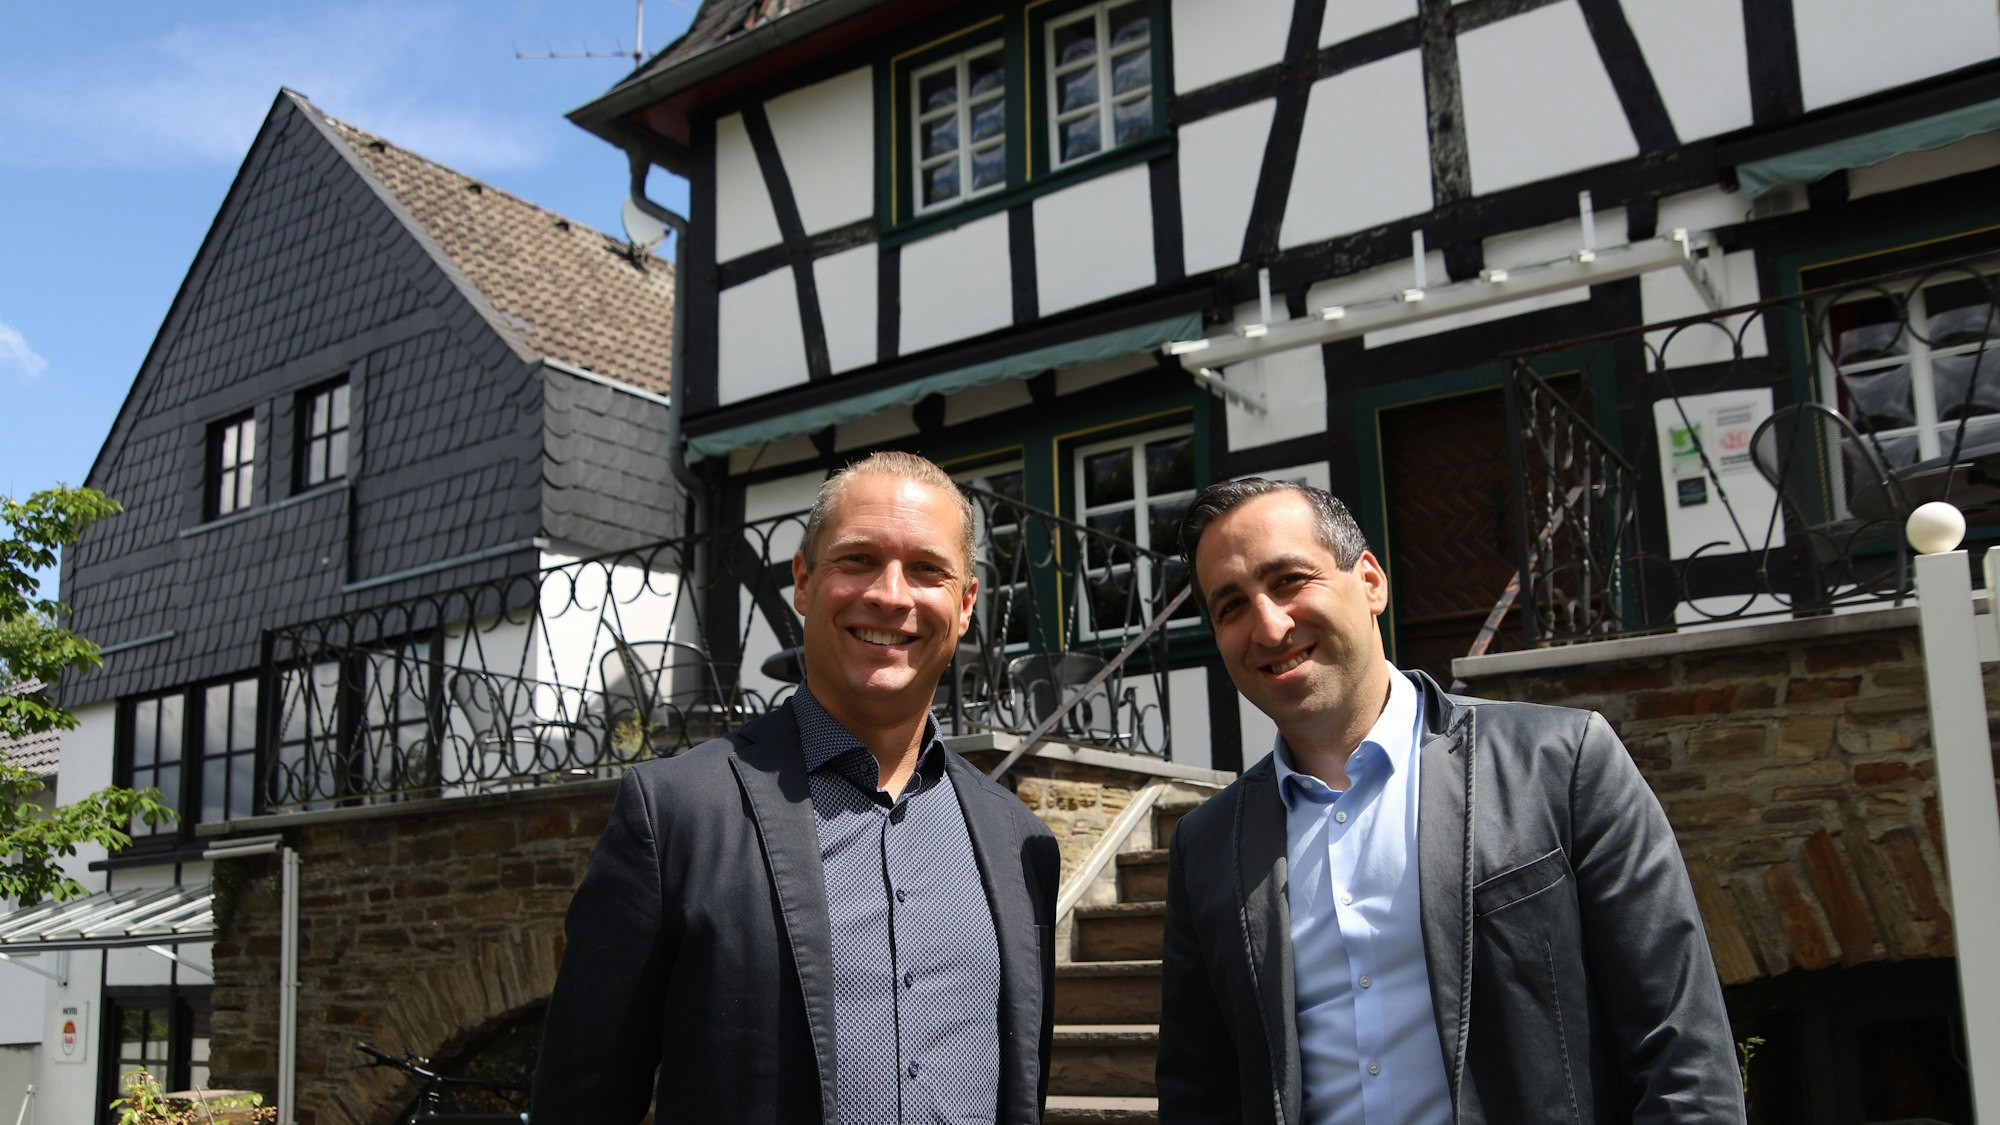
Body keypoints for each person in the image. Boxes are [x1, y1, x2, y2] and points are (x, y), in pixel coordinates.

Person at [1156, 477, 1744, 1124]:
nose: (1269, 626)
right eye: (1232, 606)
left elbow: (1684, 1057)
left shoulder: (1559, 762)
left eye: (1290, 579)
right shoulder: (1206, 846)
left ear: (1370, 581)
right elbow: (1197, 1096)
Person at [532, 451, 1058, 1125]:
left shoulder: (1021, 845)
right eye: (859, 559)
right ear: (804, 582)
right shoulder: (676, 817)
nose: (891, 594)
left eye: (927, 569)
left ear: (964, 605)